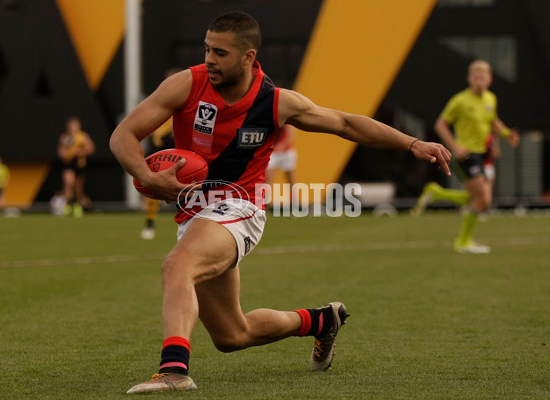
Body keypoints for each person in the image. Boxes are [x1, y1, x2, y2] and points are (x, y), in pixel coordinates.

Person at [109, 11, 451, 393]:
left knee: (177, 267)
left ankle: (173, 371)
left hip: (241, 207)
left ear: (248, 57)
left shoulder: (275, 102)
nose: (209, 59)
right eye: (207, 49)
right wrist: (147, 176)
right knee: (232, 335)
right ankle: (320, 321)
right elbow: (124, 134)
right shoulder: (187, 84)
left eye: (220, 52)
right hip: (196, 214)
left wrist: (411, 142)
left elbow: (345, 123)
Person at [423, 60, 519, 254]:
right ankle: (463, 241)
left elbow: (493, 122)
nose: (479, 81)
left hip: (482, 155)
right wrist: (455, 147)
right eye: (476, 78)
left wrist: (507, 134)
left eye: (483, 78)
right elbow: (440, 124)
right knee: (483, 199)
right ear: (469, 79)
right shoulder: (460, 101)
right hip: (465, 155)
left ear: (490, 80)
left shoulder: (491, 99)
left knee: (479, 198)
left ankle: (438, 194)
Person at [140, 69, 180, 240]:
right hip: (160, 146)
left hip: (178, 146)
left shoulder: (187, 100)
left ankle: (189, 220)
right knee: (152, 186)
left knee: (188, 183)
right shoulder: (160, 100)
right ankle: (149, 223)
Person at [57, 116, 96, 217]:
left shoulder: (83, 137)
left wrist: (80, 152)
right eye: (71, 127)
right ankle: (67, 206)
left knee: (78, 188)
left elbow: (91, 148)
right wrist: (65, 154)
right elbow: (61, 151)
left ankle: (77, 206)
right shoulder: (65, 137)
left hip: (79, 165)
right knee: (68, 184)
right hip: (69, 164)